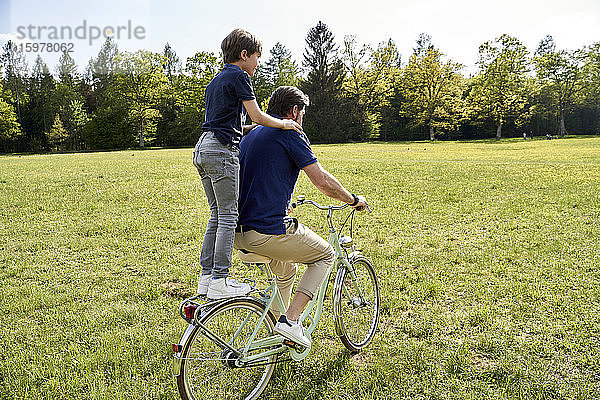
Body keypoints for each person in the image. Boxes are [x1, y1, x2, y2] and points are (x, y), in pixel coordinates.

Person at [234, 86, 368, 347]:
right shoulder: (289, 131)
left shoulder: (251, 135)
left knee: (286, 272)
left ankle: (277, 333)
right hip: (267, 231)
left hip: (239, 234)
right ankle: (291, 321)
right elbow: (322, 181)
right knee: (325, 254)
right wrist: (353, 200)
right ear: (294, 111)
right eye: (303, 114)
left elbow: (259, 177)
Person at [193, 29, 303, 300]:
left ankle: (206, 279)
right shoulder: (240, 76)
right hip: (221, 152)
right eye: (256, 57)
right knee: (229, 216)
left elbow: (232, 123)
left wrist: (254, 126)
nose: (257, 64)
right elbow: (256, 112)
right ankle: (220, 279)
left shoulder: (216, 80)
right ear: (244, 55)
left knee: (217, 215)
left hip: (203, 148)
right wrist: (284, 123)